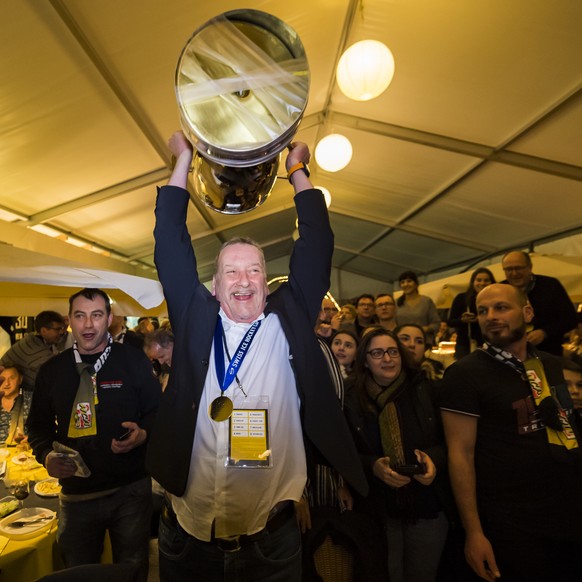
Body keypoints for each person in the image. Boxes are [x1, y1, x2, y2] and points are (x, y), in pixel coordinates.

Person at [146, 131, 366, 582]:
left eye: (254, 269)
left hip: (271, 540)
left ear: (268, 283)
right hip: (189, 536)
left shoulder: (287, 321)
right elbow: (170, 243)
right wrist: (184, 161)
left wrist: (298, 170)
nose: (243, 279)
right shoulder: (194, 319)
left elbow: (317, 243)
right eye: (231, 270)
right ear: (214, 285)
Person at [440, 283, 582, 581]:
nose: (491, 316)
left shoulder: (552, 365)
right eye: (483, 311)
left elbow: (568, 430)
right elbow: (460, 455)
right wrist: (473, 532)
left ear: (527, 312)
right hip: (509, 523)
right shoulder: (464, 374)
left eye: (501, 307)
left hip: (566, 514)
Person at [26, 288, 161, 581]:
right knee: (77, 571)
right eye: (80, 316)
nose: (88, 325)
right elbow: (36, 426)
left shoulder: (133, 361)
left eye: (96, 315)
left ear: (109, 319)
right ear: (69, 321)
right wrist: (46, 455)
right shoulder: (52, 371)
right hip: (76, 496)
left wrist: (144, 433)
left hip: (131, 490)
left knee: (133, 568)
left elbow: (157, 411)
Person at [344, 327, 451, 582]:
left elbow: (451, 442)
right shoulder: (350, 397)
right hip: (378, 509)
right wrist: (373, 466)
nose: (387, 359)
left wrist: (433, 461)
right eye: (378, 353)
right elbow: (344, 454)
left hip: (425, 504)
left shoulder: (425, 388)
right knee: (385, 574)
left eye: (392, 351)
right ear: (365, 360)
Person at [501, 250, 577, 355]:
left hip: (549, 353)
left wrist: (545, 332)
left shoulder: (550, 285)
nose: (514, 273)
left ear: (530, 267)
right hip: (511, 355)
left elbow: (571, 318)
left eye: (518, 268)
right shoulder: (500, 290)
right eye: (509, 269)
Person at [0, 310, 67, 392]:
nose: (62, 332)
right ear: (44, 331)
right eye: (58, 329)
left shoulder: (35, 339)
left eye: (62, 328)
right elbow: (58, 368)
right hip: (5, 393)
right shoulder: (33, 347)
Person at [447, 268, 496, 359]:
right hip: (465, 345)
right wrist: (462, 320)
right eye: (479, 280)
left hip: (491, 344)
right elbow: (450, 322)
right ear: (473, 282)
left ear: (492, 282)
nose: (482, 283)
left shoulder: (497, 299)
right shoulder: (461, 298)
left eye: (486, 280)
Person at [396, 271, 441, 347]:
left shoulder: (426, 301)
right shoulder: (397, 303)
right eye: (402, 282)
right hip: (402, 344)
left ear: (416, 284)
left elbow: (436, 324)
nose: (406, 284)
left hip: (422, 343)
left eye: (409, 281)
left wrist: (424, 329)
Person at [0, 365, 31, 446]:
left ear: (20, 379)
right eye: (2, 379)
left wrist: (31, 439)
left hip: (24, 452)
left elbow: (46, 429)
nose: (6, 383)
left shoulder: (33, 400)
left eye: (12, 378)